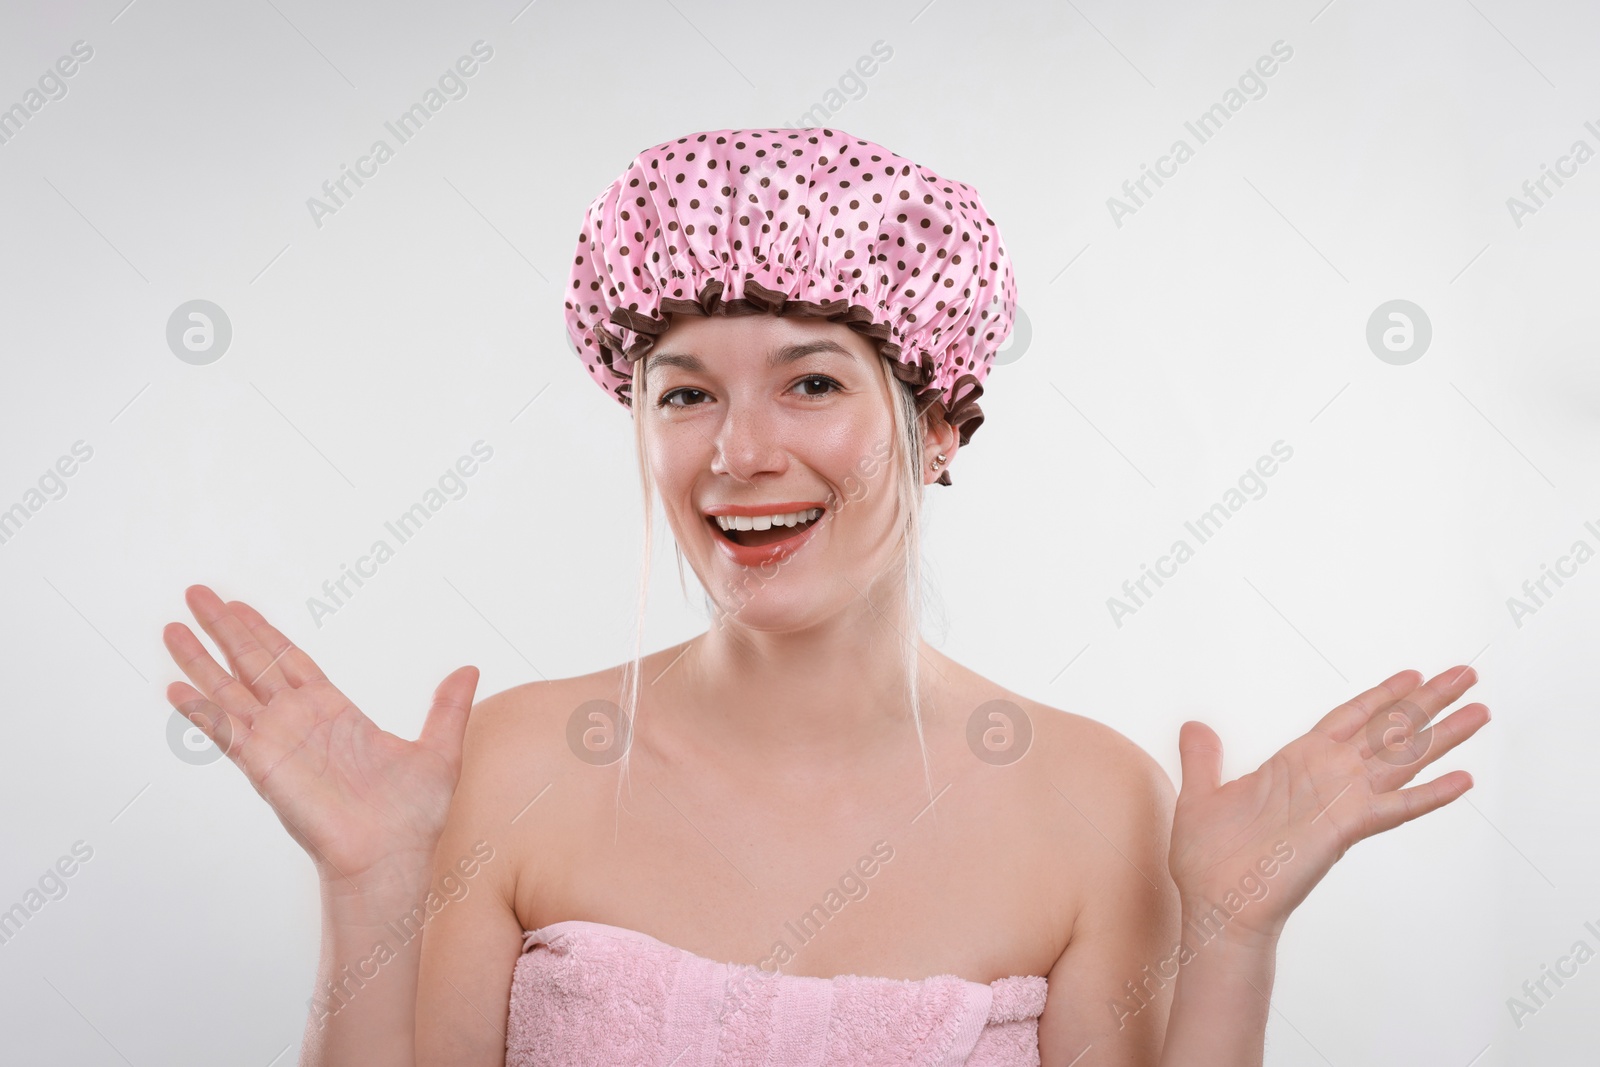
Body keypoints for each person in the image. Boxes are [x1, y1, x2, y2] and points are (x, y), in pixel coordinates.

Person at [161, 127, 1491, 1066]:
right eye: (685, 393)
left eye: (811, 382)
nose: (740, 453)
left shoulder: (1093, 802)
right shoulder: (506, 762)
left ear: (939, 424)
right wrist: (371, 889)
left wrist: (1234, 934)